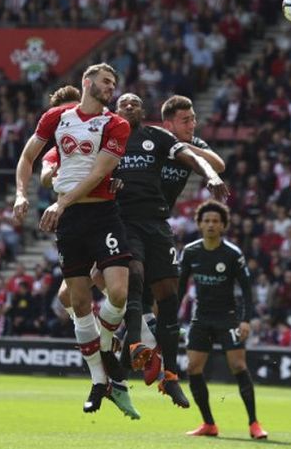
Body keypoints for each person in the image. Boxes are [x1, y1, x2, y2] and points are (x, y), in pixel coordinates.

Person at [13, 63, 132, 413]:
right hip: (69, 221)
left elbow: (99, 172)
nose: (111, 87)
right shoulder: (57, 117)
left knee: (119, 292)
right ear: (88, 82)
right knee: (79, 303)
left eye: (114, 82)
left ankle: (107, 344)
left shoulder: (116, 124)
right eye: (106, 81)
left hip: (101, 213)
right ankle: (98, 381)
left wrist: (61, 202)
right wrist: (22, 194)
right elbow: (27, 156)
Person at [113, 92, 228, 408]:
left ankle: (127, 372)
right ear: (167, 122)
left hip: (157, 223)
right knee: (127, 283)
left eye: (194, 119)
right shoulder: (133, 139)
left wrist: (175, 144)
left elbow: (217, 163)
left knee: (164, 299)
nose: (193, 124)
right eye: (185, 120)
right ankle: (133, 350)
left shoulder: (167, 142)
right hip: (124, 221)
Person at [178, 199, 268, 439]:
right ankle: (209, 424)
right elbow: (179, 289)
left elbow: (247, 291)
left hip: (227, 318)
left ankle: (254, 424)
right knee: (193, 367)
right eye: (206, 220)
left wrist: (245, 320)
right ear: (198, 223)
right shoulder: (190, 252)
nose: (210, 225)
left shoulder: (232, 254)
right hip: (201, 317)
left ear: (223, 226)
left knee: (238, 366)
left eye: (215, 221)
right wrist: (170, 318)